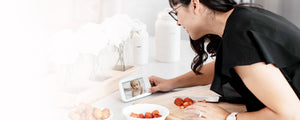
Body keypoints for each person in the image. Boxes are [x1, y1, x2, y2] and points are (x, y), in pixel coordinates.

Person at [148, 0, 300, 119]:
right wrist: (171, 83)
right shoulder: (240, 17)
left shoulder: (239, 38)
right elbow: (229, 65)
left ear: (195, 4)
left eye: (177, 12)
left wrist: (227, 117)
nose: (178, 22)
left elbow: (291, 115)